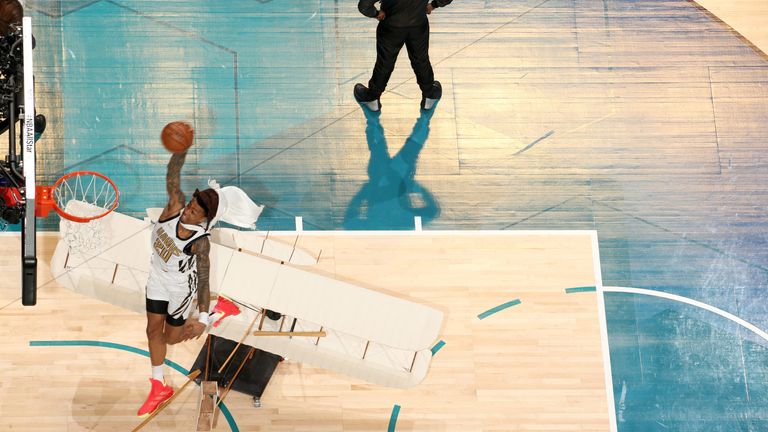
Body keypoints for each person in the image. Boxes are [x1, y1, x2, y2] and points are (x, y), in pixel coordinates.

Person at [139, 149, 216, 417]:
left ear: (203, 218)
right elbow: (172, 175)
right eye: (190, 204)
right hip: (157, 277)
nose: (188, 211)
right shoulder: (174, 208)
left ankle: (215, 315)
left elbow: (203, 279)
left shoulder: (200, 241)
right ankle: (158, 385)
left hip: (180, 288)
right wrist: (180, 150)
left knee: (170, 339)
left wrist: (203, 318)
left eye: (194, 211)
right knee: (152, 331)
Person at [354, 0, 453, 112]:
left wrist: (376, 13)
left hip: (391, 26)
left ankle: (373, 98)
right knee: (421, 60)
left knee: (385, 63)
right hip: (418, 25)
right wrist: (433, 5)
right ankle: (429, 96)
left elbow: (364, 5)